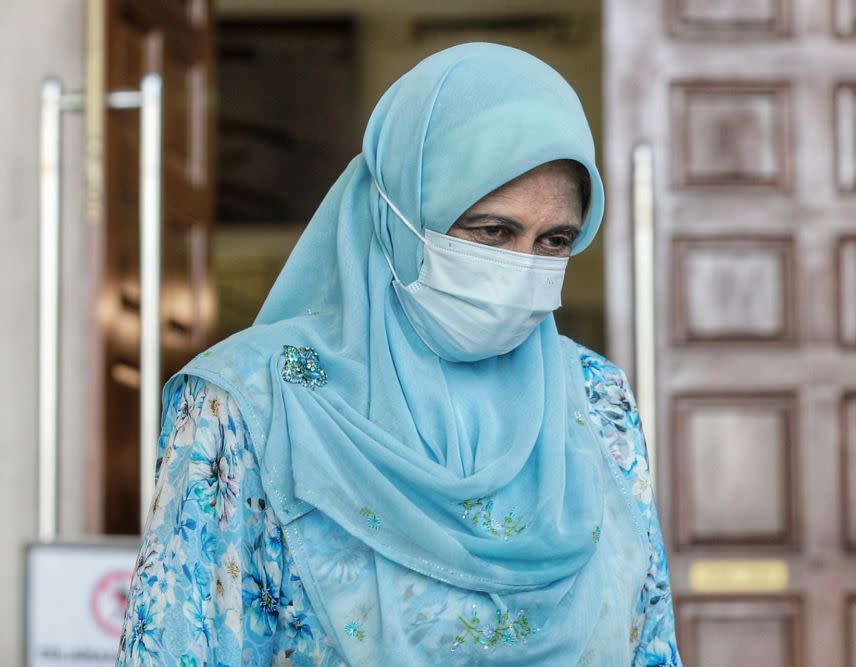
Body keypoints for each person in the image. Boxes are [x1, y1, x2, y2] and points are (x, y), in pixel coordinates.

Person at [116, 42, 682, 667]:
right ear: (400, 214)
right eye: (492, 231)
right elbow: (180, 647)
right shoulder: (252, 402)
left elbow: (647, 638)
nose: (522, 267)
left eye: (554, 240)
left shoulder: (596, 397)